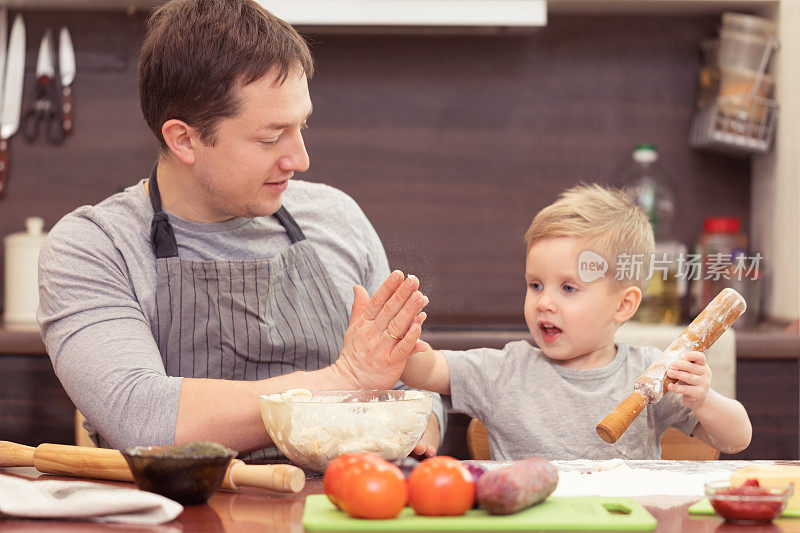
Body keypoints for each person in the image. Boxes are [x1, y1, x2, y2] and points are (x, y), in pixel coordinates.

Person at [37, 0, 444, 461]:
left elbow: (415, 386)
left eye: (301, 126)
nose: (300, 159)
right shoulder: (94, 247)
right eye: (270, 138)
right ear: (184, 139)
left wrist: (417, 424)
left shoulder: (337, 217)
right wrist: (343, 382)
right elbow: (142, 418)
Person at [398, 184, 752, 460]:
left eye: (568, 288)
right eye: (535, 285)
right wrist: (400, 345)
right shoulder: (504, 370)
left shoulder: (650, 372)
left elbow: (736, 439)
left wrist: (704, 400)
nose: (544, 302)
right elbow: (426, 371)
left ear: (623, 305)